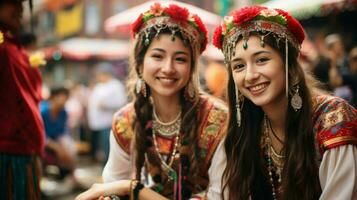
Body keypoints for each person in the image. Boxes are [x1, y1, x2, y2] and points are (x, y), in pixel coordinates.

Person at [76, 3, 227, 200]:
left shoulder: (218, 120)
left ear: (191, 68)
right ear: (139, 64)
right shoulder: (125, 121)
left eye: (180, 59)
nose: (168, 68)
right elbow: (112, 187)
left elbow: (222, 196)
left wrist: (134, 189)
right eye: (157, 56)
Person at [207, 6, 357, 200]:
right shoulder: (244, 128)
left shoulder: (333, 118)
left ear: (289, 65)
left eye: (261, 60)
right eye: (239, 66)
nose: (250, 76)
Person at [0, 0, 45, 199]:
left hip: (26, 153)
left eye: (22, 3)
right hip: (6, 156)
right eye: (12, 2)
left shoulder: (15, 48)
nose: (19, 8)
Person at [87, 63, 127, 165]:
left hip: (108, 122)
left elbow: (121, 102)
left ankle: (108, 166)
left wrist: (106, 105)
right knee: (100, 146)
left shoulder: (116, 85)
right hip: (96, 123)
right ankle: (103, 166)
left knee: (107, 146)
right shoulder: (99, 86)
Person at [41, 86, 77, 183]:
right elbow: (41, 135)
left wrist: (64, 148)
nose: (64, 100)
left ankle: (73, 179)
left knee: (70, 148)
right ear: (53, 97)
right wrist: (56, 147)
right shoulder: (42, 111)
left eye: (66, 97)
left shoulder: (63, 112)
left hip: (55, 142)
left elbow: (63, 133)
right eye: (62, 96)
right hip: (42, 144)